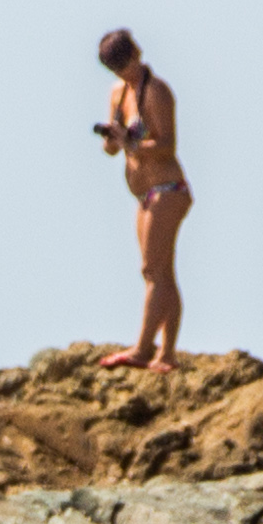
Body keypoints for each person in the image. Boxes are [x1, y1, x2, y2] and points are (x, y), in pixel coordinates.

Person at [94, 30, 193, 372]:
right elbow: (111, 148)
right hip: (143, 194)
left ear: (137, 53)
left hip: (168, 188)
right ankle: (166, 354)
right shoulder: (118, 93)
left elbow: (167, 146)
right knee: (161, 272)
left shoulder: (156, 91)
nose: (125, 72)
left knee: (152, 270)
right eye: (117, 68)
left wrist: (133, 145)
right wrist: (113, 139)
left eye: (128, 63)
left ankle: (142, 348)